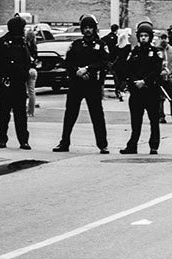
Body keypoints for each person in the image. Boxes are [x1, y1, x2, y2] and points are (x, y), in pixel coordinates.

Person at [53, 14, 112, 154]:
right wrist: (77, 71)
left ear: (95, 29)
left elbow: (105, 63)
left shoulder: (101, 45)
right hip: (77, 84)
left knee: (97, 115)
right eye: (85, 27)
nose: (88, 30)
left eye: (90, 27)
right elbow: (68, 62)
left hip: (93, 84)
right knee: (70, 114)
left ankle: (102, 144)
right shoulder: (76, 45)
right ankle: (64, 142)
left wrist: (88, 69)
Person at [0, 16, 32, 150]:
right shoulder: (1, 43)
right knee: (4, 112)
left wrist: (24, 74)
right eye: (22, 28)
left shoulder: (22, 43)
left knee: (20, 114)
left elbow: (27, 61)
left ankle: (23, 140)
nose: (23, 31)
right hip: (5, 82)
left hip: (18, 82)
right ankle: (2, 139)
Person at [120, 21, 164, 155]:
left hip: (151, 91)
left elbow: (156, 70)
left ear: (150, 37)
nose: (143, 38)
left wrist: (144, 81)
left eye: (146, 35)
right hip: (136, 91)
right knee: (136, 121)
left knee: (154, 120)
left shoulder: (156, 52)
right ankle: (132, 145)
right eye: (141, 35)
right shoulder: (134, 52)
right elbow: (127, 69)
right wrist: (135, 81)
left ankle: (154, 145)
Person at [102, 24, 123, 101]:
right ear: (117, 29)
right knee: (116, 77)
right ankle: (118, 93)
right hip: (114, 61)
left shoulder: (104, 38)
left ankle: (101, 93)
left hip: (106, 60)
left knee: (103, 76)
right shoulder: (117, 39)